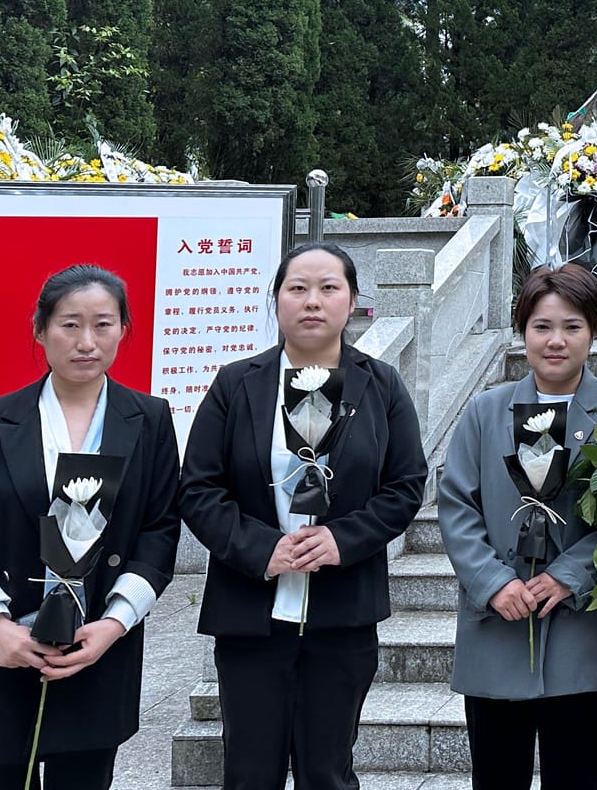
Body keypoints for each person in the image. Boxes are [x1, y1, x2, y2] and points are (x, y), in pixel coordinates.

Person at [0, 264, 181, 790]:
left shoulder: (149, 419)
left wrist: (113, 625)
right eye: (70, 324)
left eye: (103, 324)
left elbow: (159, 531)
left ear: (124, 330)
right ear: (40, 330)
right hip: (1, 651)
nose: (87, 342)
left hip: (94, 648)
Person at [180, 243, 426, 790]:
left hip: (342, 614)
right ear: (276, 301)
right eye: (297, 288)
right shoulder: (236, 384)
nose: (312, 301)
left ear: (353, 300)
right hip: (250, 614)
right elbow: (198, 488)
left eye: (328, 288)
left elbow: (407, 485)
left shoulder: (380, 384)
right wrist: (259, 547)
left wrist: (344, 538)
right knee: (249, 773)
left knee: (328, 773)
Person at [440, 264, 597, 790]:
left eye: (572, 326)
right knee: (497, 775)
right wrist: (494, 583)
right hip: (498, 623)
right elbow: (456, 506)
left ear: (594, 330)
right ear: (523, 331)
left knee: (579, 773)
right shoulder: (485, 410)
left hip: (576, 628)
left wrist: (570, 574)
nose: (556, 341)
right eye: (542, 326)